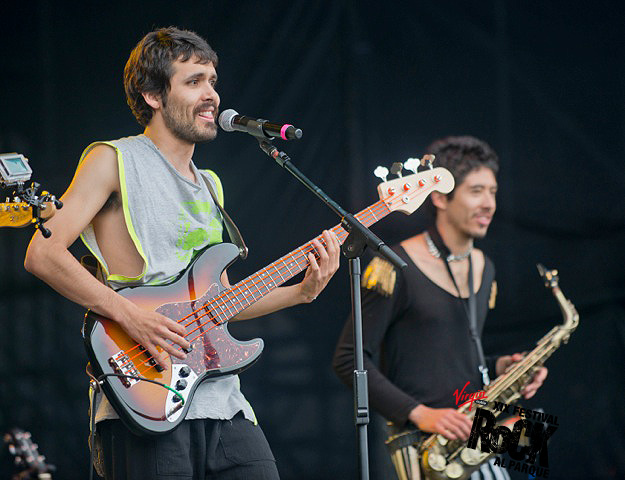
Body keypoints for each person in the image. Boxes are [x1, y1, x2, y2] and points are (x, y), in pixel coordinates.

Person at [24, 27, 340, 479]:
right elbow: (43, 254)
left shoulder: (210, 185)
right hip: (144, 392)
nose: (211, 94)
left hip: (222, 399)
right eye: (194, 81)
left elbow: (221, 304)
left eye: (212, 81)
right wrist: (129, 314)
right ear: (153, 95)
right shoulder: (114, 159)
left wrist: (301, 293)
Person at [332, 136, 547, 480]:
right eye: (476, 191)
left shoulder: (485, 267)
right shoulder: (393, 265)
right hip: (420, 447)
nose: (489, 204)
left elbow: (448, 358)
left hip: (472, 436)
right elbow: (347, 359)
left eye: (492, 192)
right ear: (440, 196)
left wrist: (503, 367)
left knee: (535, 440)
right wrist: (420, 413)